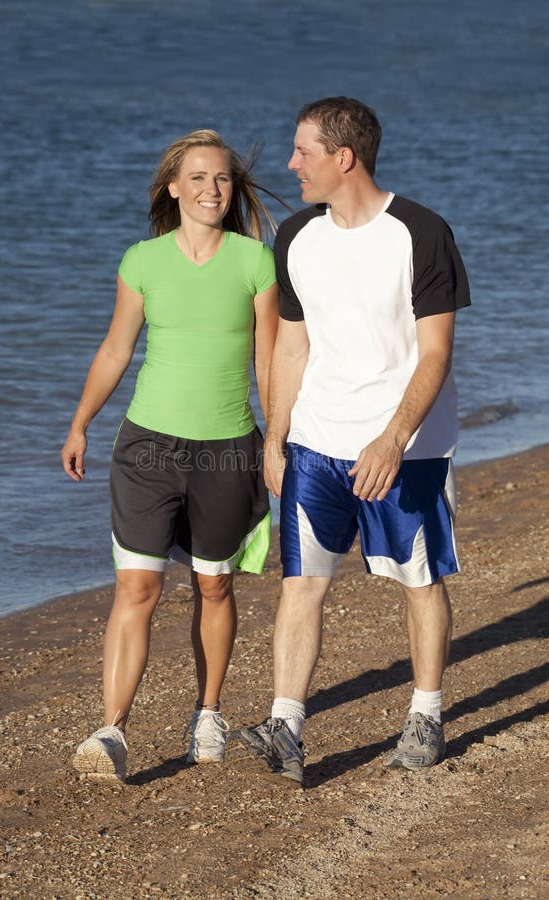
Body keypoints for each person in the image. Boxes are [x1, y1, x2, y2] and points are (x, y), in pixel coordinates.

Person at [228, 97, 471, 786]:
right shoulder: (298, 237)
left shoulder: (421, 233)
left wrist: (393, 439)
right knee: (301, 583)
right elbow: (291, 348)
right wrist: (276, 436)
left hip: (408, 450)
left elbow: (435, 355)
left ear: (344, 157)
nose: (289, 164)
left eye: (302, 151)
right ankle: (287, 727)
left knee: (418, 582)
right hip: (316, 441)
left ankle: (426, 715)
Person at [61, 130, 280, 783]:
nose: (212, 189)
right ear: (173, 188)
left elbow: (269, 358)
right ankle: (112, 731)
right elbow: (114, 350)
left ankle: (207, 712)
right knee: (138, 585)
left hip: (227, 448)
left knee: (214, 584)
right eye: (199, 178)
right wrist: (80, 424)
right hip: (147, 445)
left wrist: (278, 438)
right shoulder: (142, 262)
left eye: (222, 179)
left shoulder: (255, 262)